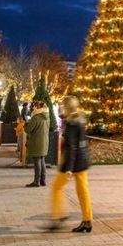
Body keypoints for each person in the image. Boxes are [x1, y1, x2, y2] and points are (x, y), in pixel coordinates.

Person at [49, 95, 92, 233]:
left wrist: (69, 168)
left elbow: (72, 146)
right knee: (82, 191)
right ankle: (87, 220)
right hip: (82, 161)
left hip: (72, 163)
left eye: (63, 106)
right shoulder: (80, 119)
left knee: (56, 187)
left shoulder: (72, 123)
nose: (61, 108)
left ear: (67, 107)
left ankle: (59, 215)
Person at [25, 101, 50, 188]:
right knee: (42, 160)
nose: (34, 108)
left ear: (38, 107)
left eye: (35, 106)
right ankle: (43, 180)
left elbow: (28, 130)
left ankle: (36, 181)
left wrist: (27, 124)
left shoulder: (36, 117)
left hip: (36, 141)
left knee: (37, 161)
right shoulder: (47, 117)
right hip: (45, 141)